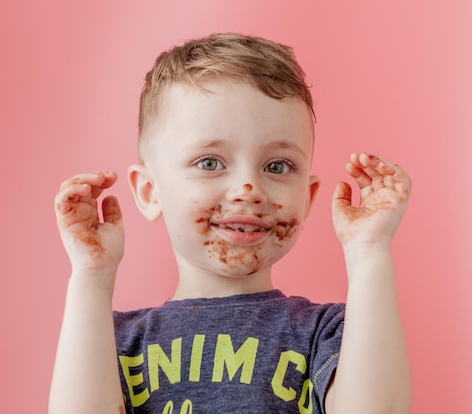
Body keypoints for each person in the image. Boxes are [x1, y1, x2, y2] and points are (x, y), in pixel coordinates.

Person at [49, 33, 412, 414]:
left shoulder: (330, 333)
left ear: (307, 198)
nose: (248, 189)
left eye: (277, 166)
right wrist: (92, 276)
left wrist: (368, 250)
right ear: (150, 191)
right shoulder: (111, 343)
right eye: (210, 163)